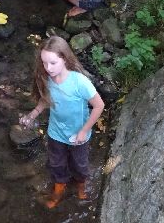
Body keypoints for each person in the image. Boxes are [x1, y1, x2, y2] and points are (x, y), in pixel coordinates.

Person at [20, 36, 105, 208]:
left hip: (78, 135)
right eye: (44, 63)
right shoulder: (46, 78)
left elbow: (99, 105)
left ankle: (81, 186)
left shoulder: (79, 82)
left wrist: (83, 131)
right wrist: (33, 114)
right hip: (55, 133)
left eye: (52, 63)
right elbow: (46, 99)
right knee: (56, 163)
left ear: (64, 59)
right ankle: (59, 187)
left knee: (80, 165)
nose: (47, 68)